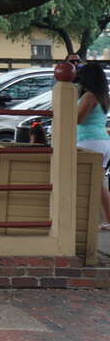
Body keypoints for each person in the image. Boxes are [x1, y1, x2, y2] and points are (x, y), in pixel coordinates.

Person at [75, 63, 110, 229]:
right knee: (98, 185)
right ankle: (108, 220)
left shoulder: (89, 96)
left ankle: (85, 219)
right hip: (101, 142)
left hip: (88, 142)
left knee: (85, 182)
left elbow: (77, 119)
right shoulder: (103, 96)